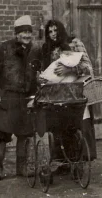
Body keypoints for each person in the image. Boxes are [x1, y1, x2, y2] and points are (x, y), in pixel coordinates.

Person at [0, 15, 40, 181]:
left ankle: (22, 167)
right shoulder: (4, 48)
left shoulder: (35, 50)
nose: (26, 35)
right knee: (1, 133)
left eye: (29, 32)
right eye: (23, 32)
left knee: (25, 133)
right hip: (6, 98)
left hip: (26, 98)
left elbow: (40, 71)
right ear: (16, 34)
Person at [40, 19, 97, 161]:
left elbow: (88, 67)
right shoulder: (48, 48)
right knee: (59, 126)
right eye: (50, 32)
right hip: (58, 93)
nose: (53, 34)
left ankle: (81, 161)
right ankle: (63, 161)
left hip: (76, 91)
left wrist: (70, 69)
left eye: (55, 30)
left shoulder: (74, 43)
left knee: (79, 124)